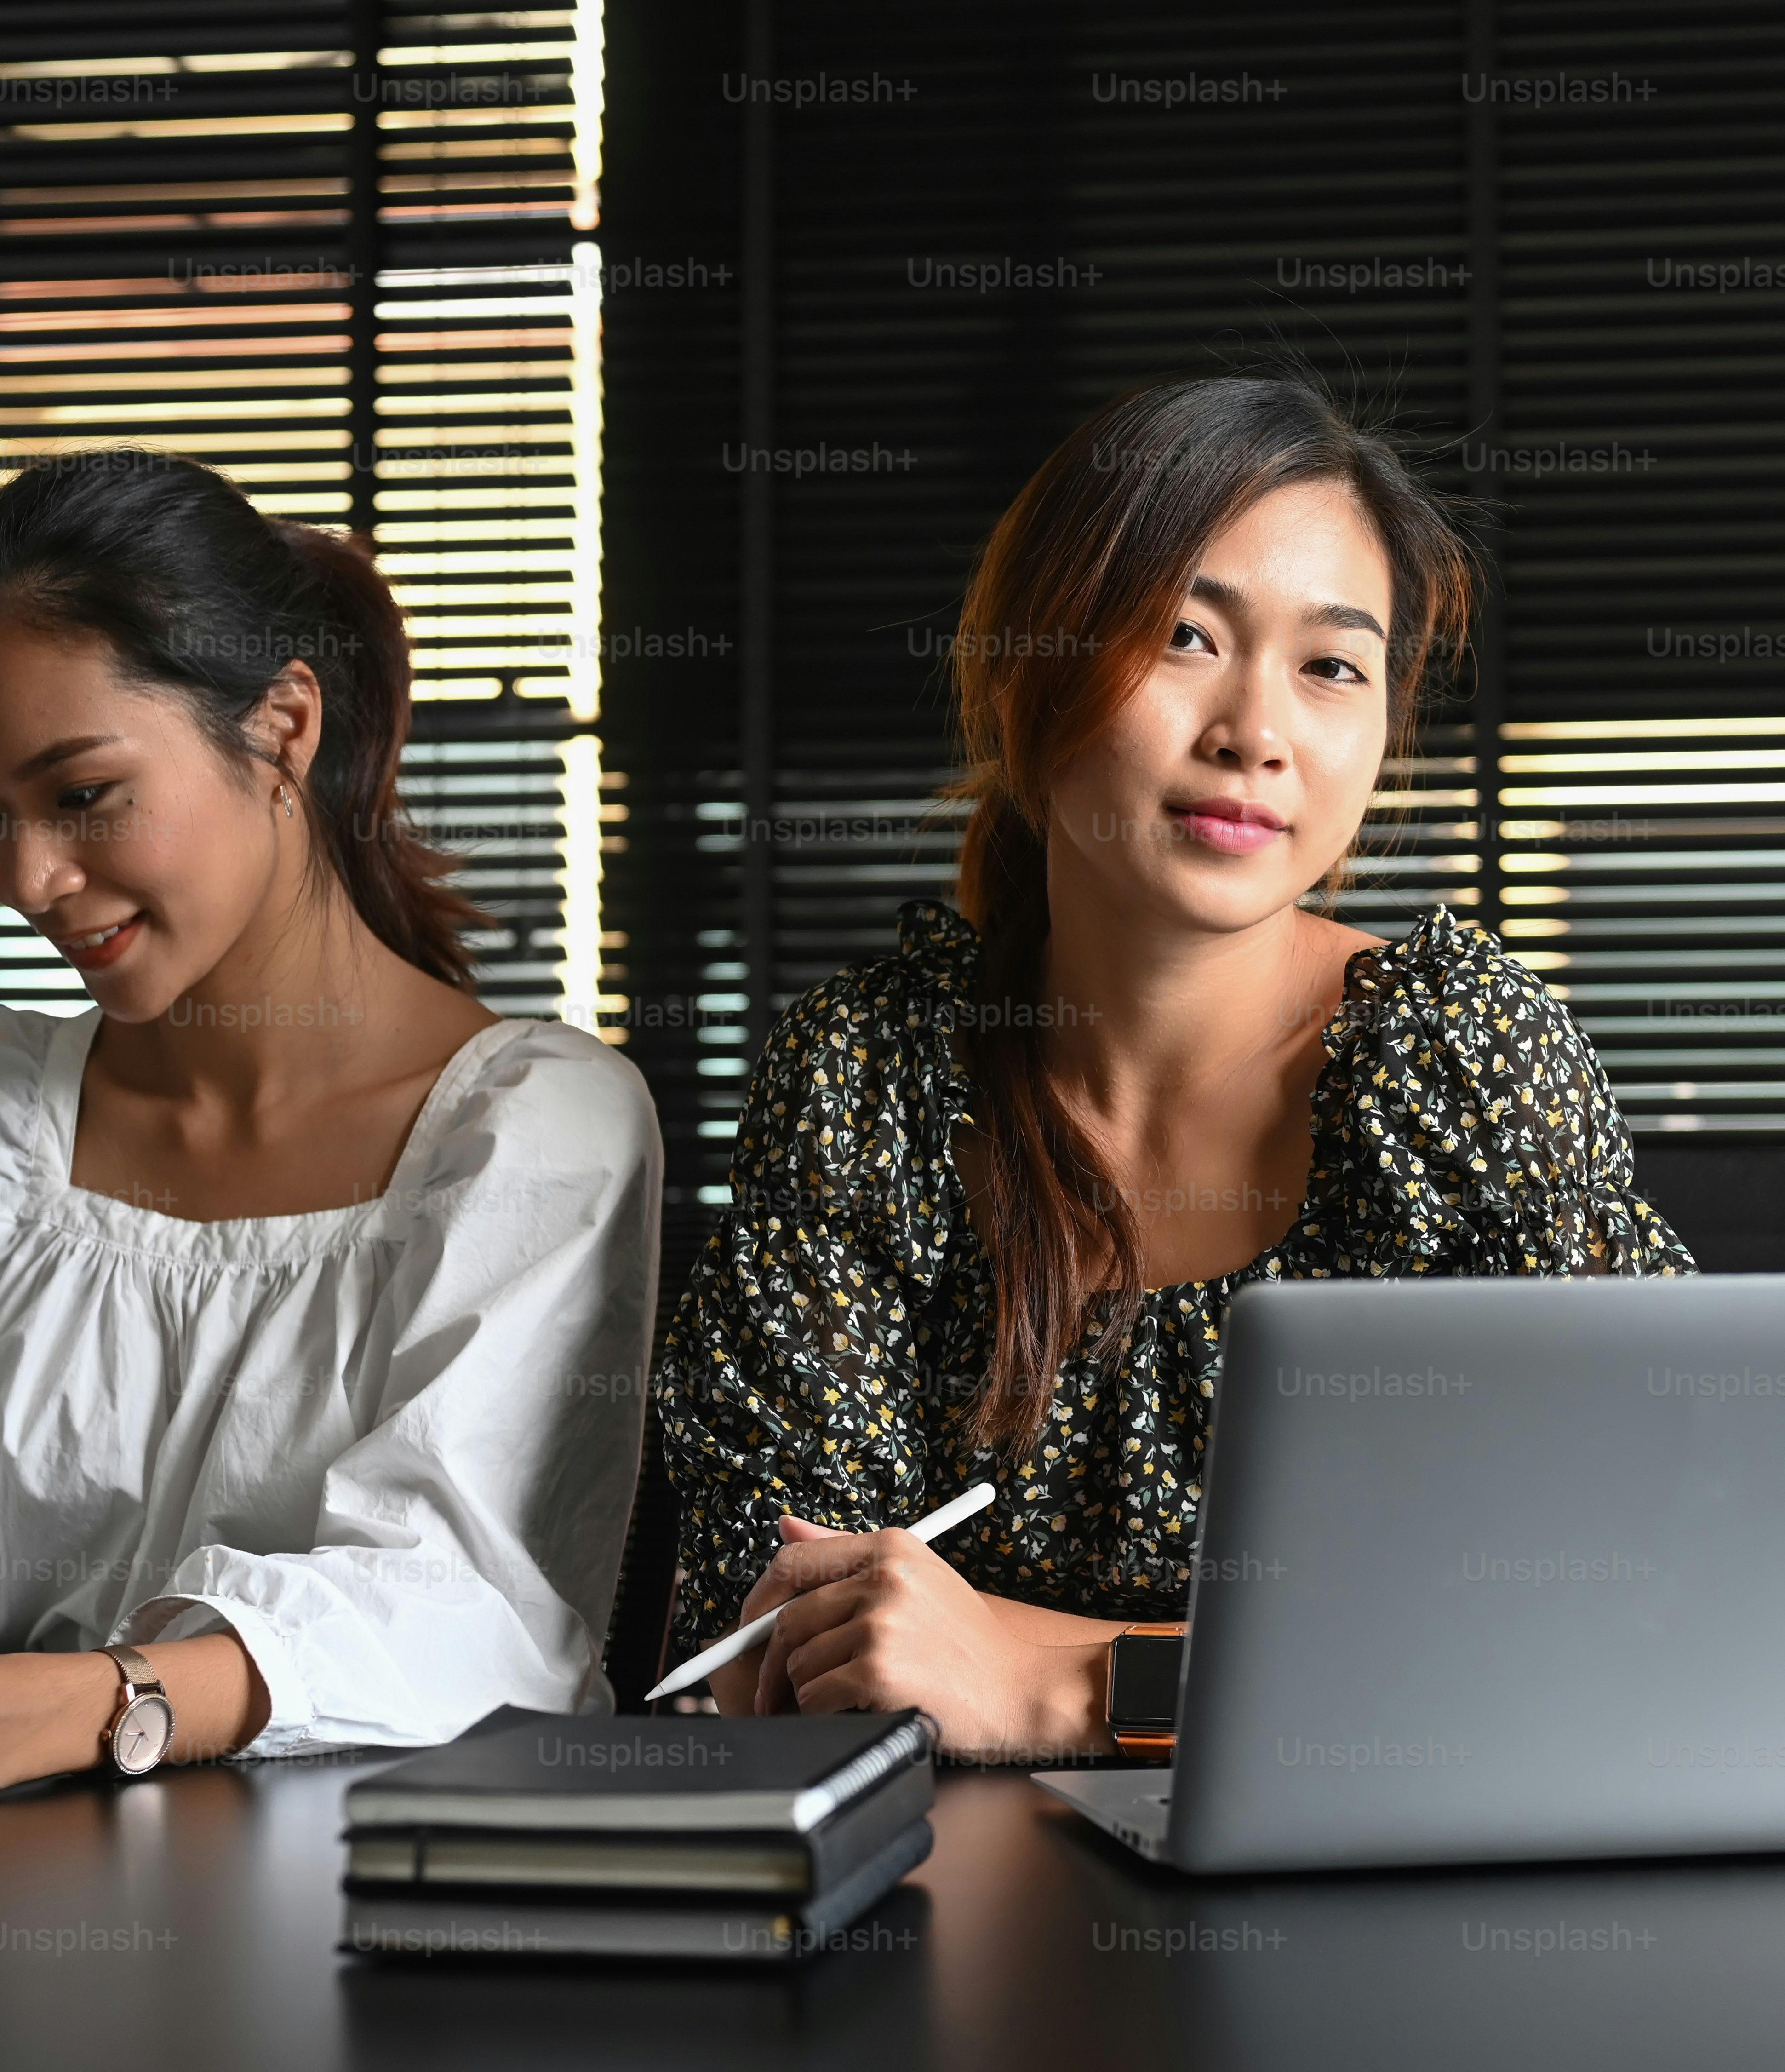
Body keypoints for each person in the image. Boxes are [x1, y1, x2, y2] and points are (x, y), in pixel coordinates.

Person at [655, 373, 1688, 1759]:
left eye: (1331, 665)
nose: (1254, 731)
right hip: (936, 1911)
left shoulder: (1459, 1058)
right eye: (1184, 637)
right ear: (1031, 672)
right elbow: (779, 1646)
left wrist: (1064, 1682)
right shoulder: (873, 1072)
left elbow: (1623, 1614)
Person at [0, 449, 661, 1828]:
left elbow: (459, 1613)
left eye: (81, 795)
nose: (26, 879)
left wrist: (72, 1705)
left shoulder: (532, 1126)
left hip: (373, 1915)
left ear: (283, 730)